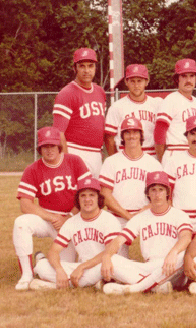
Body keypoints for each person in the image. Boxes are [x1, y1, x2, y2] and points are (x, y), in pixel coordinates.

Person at [13, 126, 90, 290]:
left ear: (59, 146)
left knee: (65, 267)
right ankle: (26, 275)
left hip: (71, 220)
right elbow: (25, 204)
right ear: (40, 148)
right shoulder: (32, 169)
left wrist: (68, 217)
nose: (49, 150)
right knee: (21, 223)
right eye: (45, 147)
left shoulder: (74, 161)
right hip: (48, 220)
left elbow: (87, 194)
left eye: (52, 145)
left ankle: (41, 261)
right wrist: (53, 218)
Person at [100, 171, 193, 294]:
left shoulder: (179, 215)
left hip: (171, 267)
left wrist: (173, 252)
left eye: (161, 189)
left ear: (167, 192)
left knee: (182, 256)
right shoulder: (141, 217)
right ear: (147, 193)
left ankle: (134, 288)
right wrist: (107, 256)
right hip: (149, 267)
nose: (157, 194)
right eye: (153, 190)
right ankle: (155, 287)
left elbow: (186, 237)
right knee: (114, 259)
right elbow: (119, 240)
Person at [30, 177, 121, 290]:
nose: (87, 199)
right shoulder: (71, 222)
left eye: (92, 195)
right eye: (83, 195)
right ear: (77, 199)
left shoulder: (109, 220)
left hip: (104, 265)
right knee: (42, 266)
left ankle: (54, 286)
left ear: (99, 198)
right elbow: (53, 251)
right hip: (82, 269)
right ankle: (91, 284)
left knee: (111, 267)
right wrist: (59, 271)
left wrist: (82, 267)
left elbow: (110, 251)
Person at [52, 47, 106, 177]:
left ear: (95, 68)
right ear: (74, 68)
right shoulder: (66, 93)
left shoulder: (100, 92)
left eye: (90, 66)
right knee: (78, 195)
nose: (87, 70)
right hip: (76, 151)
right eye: (82, 66)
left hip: (96, 153)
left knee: (95, 195)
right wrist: (67, 160)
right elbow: (59, 133)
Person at [99, 118, 162, 228]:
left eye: (135, 132)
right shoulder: (111, 161)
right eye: (127, 132)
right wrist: (128, 216)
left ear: (141, 135)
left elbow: (161, 195)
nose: (131, 136)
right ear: (122, 136)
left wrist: (144, 211)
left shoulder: (153, 164)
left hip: (145, 218)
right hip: (116, 219)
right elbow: (105, 194)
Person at [104, 63, 161, 156]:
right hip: (125, 155)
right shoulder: (117, 107)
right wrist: (115, 159)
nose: (136, 85)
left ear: (146, 82)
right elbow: (109, 138)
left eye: (139, 81)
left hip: (151, 155)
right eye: (132, 81)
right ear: (126, 82)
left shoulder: (157, 104)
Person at [154, 58, 196, 163]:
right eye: (184, 76)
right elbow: (159, 131)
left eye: (192, 76)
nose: (188, 80)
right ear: (177, 79)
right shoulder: (171, 100)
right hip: (175, 152)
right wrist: (162, 158)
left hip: (193, 152)